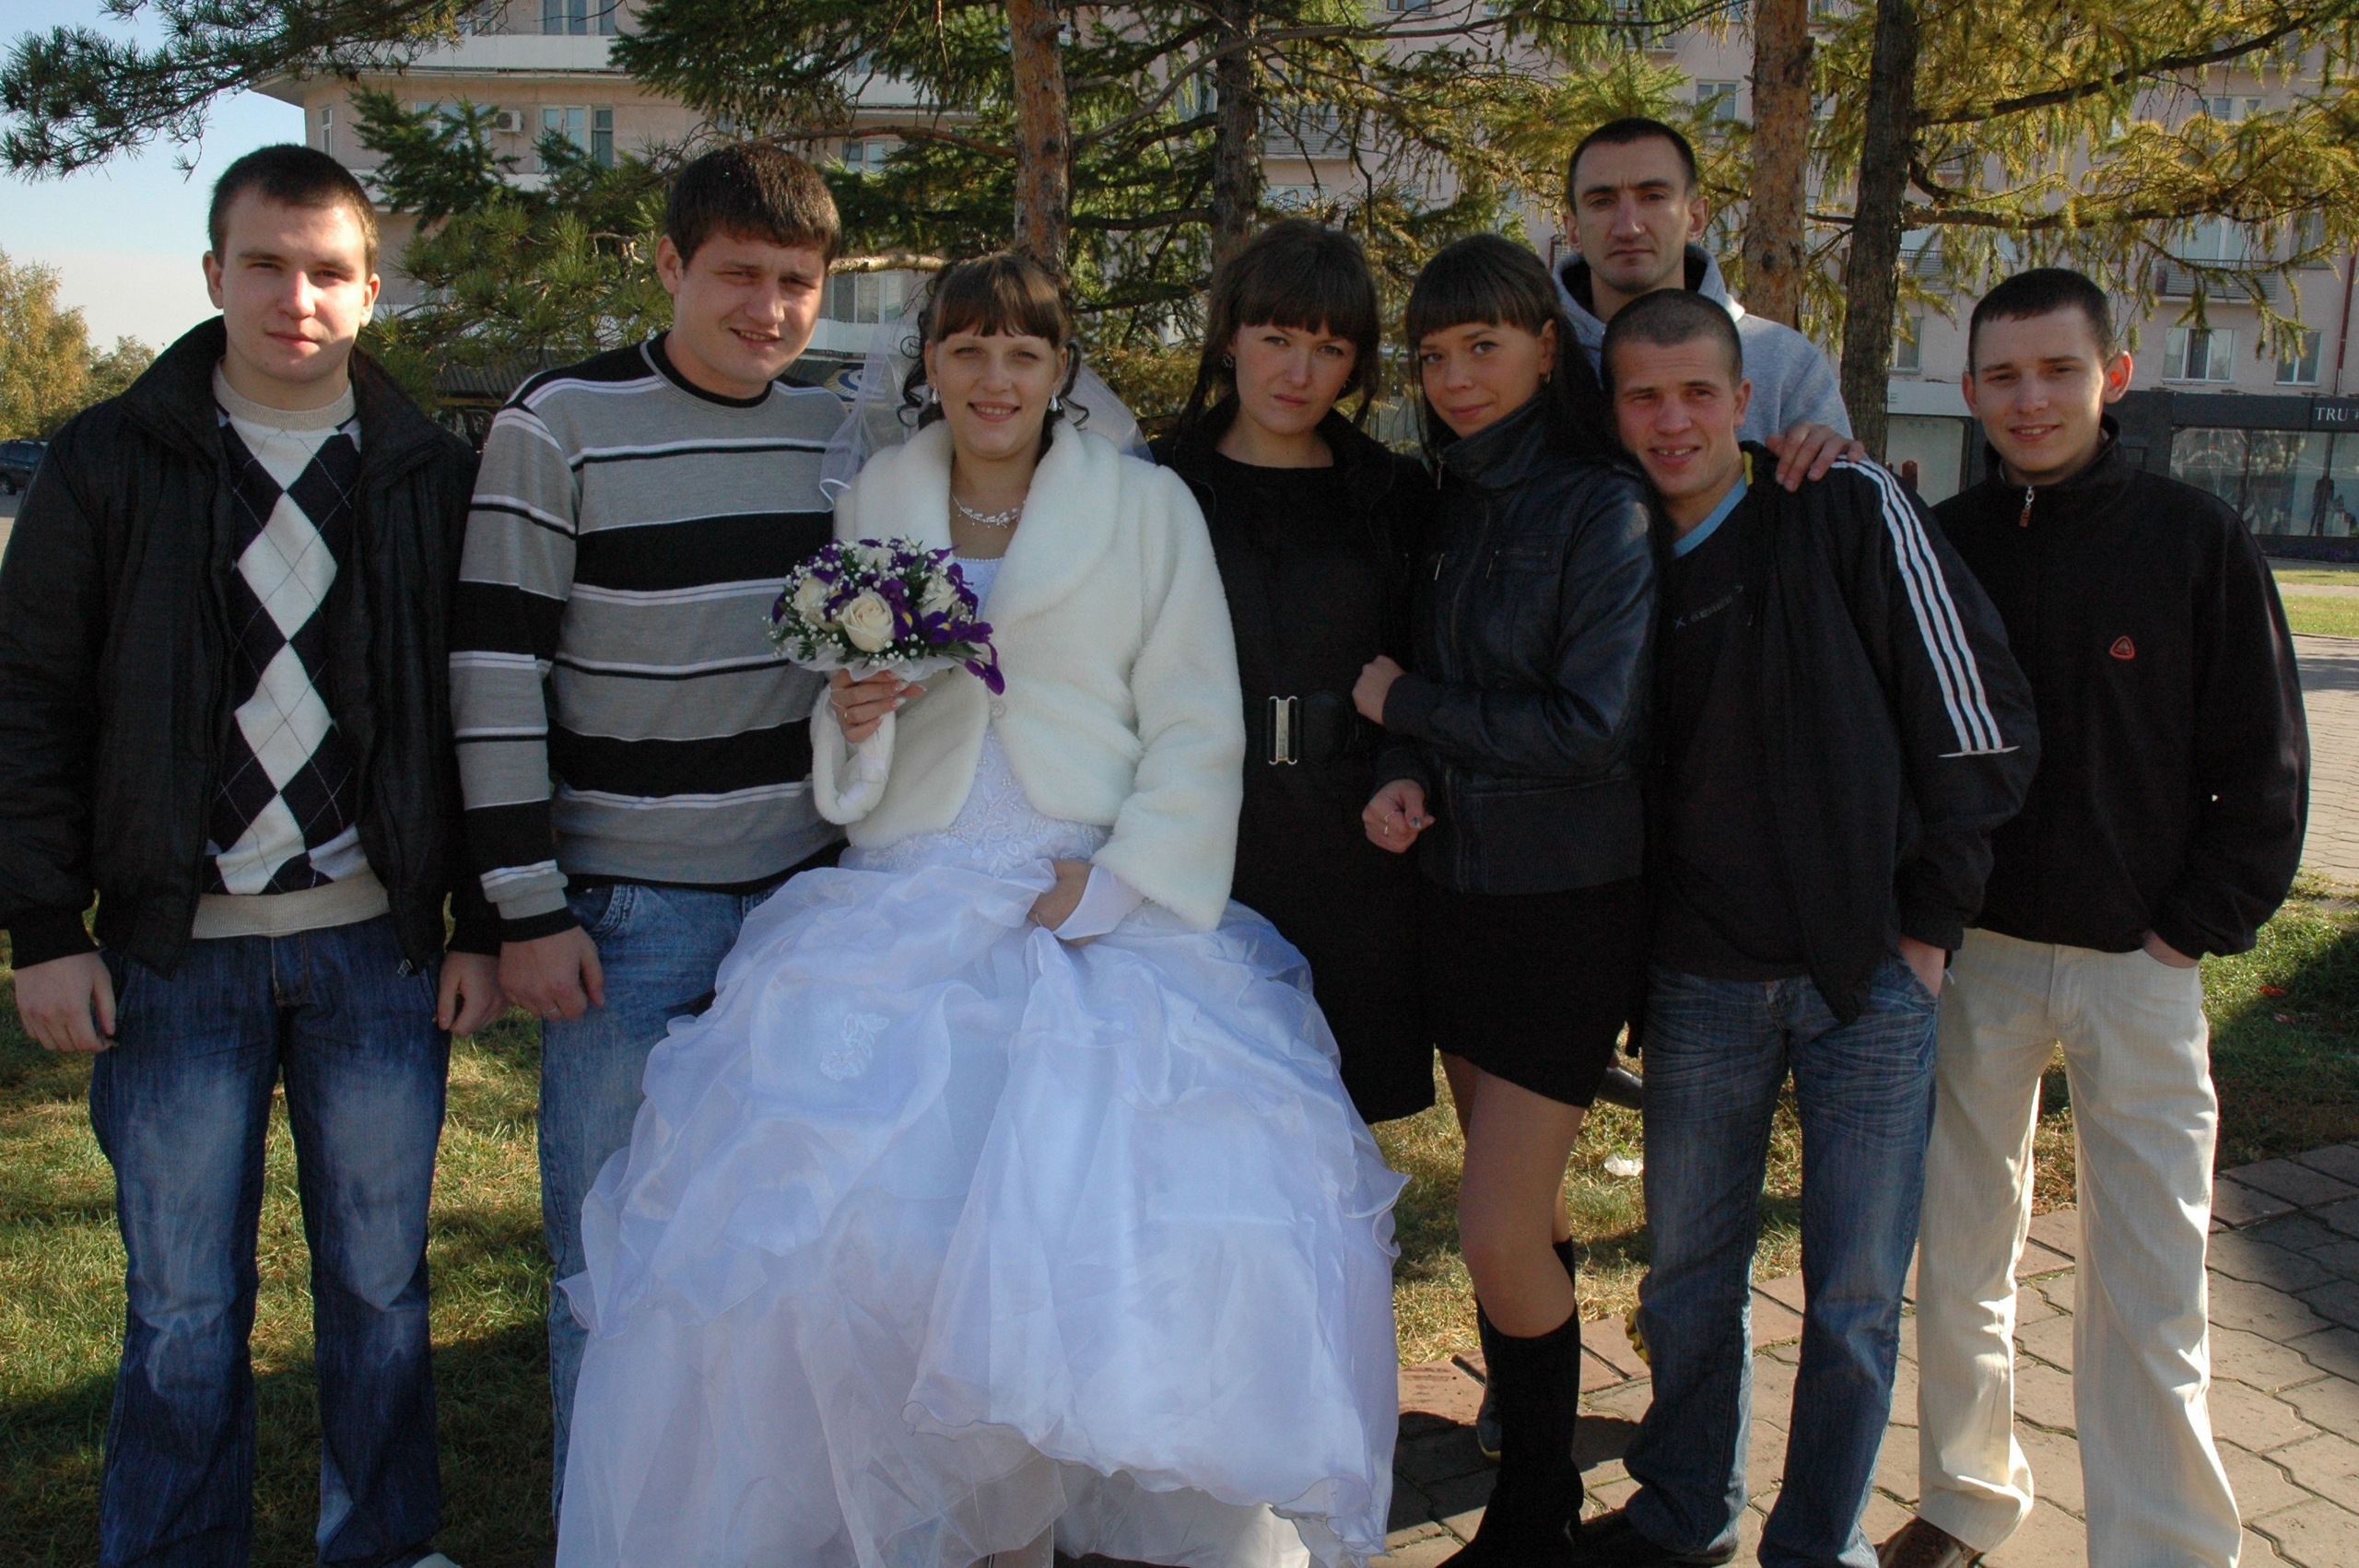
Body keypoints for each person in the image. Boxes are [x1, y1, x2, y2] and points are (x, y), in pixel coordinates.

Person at [554, 252, 1405, 1568]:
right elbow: (846, 730)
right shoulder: (880, 498)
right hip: (907, 890)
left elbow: (1194, 719)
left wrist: (1115, 882)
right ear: (932, 367)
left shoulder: (1145, 505)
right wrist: (856, 721)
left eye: (1023, 352)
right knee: (877, 1245)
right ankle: (952, 1532)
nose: (994, 378)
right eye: (967, 351)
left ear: (1061, 369)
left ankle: (1047, 1530)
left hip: (1085, 899)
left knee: (1085, 1243)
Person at [0, 144, 500, 1568]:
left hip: (374, 951)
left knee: (381, 1288)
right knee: (181, 1303)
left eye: (329, 270)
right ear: (213, 272)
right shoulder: (110, 457)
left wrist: (475, 919)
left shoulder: (429, 472)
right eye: (267, 264)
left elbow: (475, 707)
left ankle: (383, 1540)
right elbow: (27, 697)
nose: (297, 296)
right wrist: (45, 928)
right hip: (173, 953)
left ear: (371, 289)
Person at [1588, 288, 2036, 1568]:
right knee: (1687, 1277)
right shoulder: (1614, 549)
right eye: (1642, 396)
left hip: (1867, 976)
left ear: (1745, 400)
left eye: (1697, 392)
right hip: (1698, 979)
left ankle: (1814, 1544)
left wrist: (1929, 922)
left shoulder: (1838, 503)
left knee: (1851, 1298)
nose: (1672, 420)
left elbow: (1978, 720)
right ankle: (1685, 1509)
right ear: (1612, 413)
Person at [1884, 269, 2309, 1568]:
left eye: (2057, 370)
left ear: (2111, 376)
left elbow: (2265, 761)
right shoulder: (1941, 541)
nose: (2031, 399)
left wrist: (2188, 928)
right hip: (1979, 959)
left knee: (2151, 1279)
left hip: (2140, 964)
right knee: (1960, 1253)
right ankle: (1966, 1498)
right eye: (2003, 376)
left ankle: (2163, 1545)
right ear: (1970, 391)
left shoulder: (2193, 539)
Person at [447, 141, 850, 1502]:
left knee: (784, 1255)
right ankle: (608, 1525)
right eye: (738, 273)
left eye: (797, 281)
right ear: (670, 265)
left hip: (804, 908)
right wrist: (525, 907)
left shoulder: (835, 435)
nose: (768, 308)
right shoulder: (556, 424)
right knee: (609, 1261)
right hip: (627, 918)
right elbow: (495, 670)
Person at [1355, 233, 1653, 1565]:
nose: (1457, 378)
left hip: (1564, 904)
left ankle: (1538, 1514)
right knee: (1523, 1212)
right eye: (1434, 356)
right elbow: (1429, 693)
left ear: (1545, 343)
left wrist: (1408, 709)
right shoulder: (1450, 498)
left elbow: (1591, 727)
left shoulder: (1602, 504)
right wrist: (1404, 772)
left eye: (1484, 347)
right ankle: (1529, 1461)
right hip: (1458, 894)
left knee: (1487, 1229)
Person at [1151, 217, 1436, 1125]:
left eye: (1329, 349)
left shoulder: (1394, 494)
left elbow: (1424, 659)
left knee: (1341, 1125)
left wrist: (1403, 771)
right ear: (1230, 336)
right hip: (1203, 844)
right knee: (1202, 1121)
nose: (1298, 372)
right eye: (1275, 339)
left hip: (1353, 848)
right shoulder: (1156, 484)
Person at [1555, 117, 1850, 451]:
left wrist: (1834, 465)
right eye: (1602, 202)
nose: (1628, 227)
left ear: (1695, 217)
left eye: (1653, 197)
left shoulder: (1784, 364)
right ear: (1573, 229)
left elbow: (1838, 480)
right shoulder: (1531, 358)